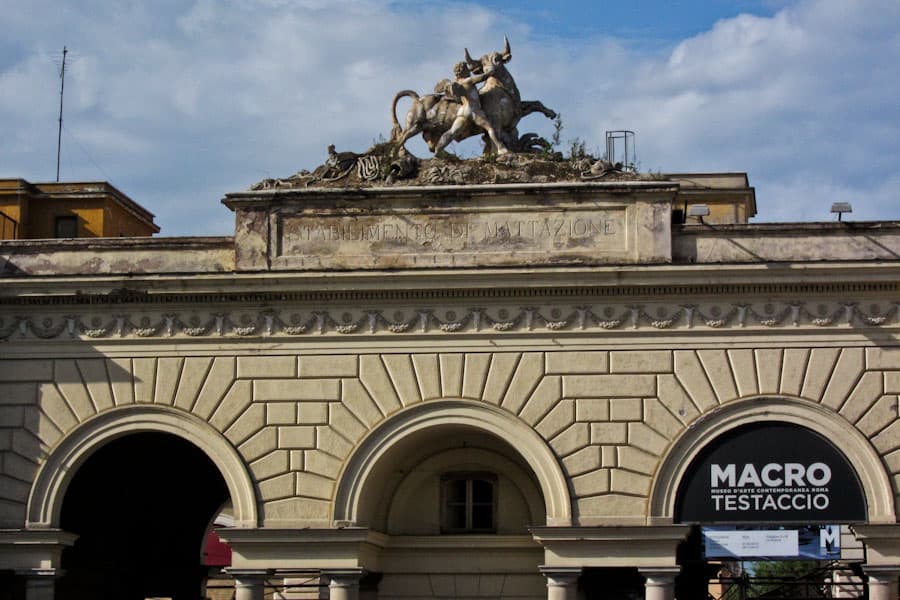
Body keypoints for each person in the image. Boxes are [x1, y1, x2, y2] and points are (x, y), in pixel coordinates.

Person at [434, 61, 509, 155]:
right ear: (464, 71)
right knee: (490, 128)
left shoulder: (456, 83)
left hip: (462, 111)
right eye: (466, 69)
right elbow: (483, 77)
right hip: (474, 110)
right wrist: (491, 71)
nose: (468, 70)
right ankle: (501, 148)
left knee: (452, 132)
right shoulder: (468, 81)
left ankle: (438, 150)